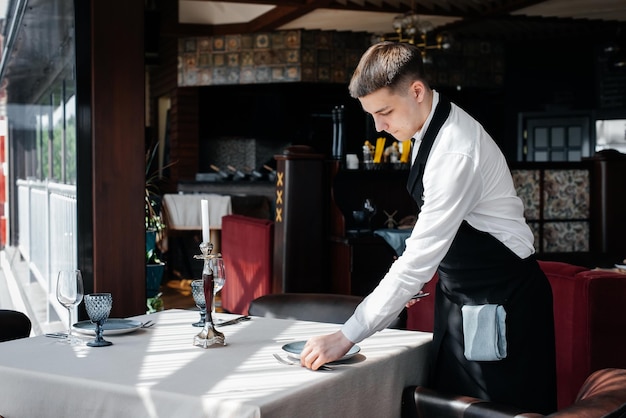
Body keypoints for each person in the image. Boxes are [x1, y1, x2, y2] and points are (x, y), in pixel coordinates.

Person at [300, 41, 557, 414]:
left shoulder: (456, 150)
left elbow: (417, 262)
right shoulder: (430, 129)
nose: (379, 126)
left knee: (494, 411)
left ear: (416, 91)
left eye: (385, 111)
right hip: (462, 298)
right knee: (449, 407)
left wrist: (346, 336)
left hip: (501, 302)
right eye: (372, 115)